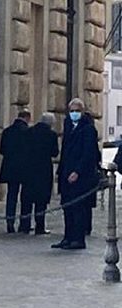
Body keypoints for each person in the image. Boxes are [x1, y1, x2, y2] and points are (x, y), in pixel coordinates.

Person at [53, 98, 99, 251]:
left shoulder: (88, 129)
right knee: (67, 207)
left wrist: (77, 171)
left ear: (82, 111)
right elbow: (65, 151)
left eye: (77, 111)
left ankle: (78, 239)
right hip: (66, 172)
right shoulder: (68, 126)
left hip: (80, 175)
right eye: (72, 111)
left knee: (78, 207)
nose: (74, 114)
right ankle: (68, 237)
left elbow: (88, 153)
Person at [21, 113, 59, 236]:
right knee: (41, 201)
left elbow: (24, 149)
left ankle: (24, 225)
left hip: (29, 169)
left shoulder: (29, 132)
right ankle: (40, 226)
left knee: (27, 199)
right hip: (44, 170)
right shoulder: (52, 135)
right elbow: (54, 153)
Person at [0, 110, 31, 234]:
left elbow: (2, 150)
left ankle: (10, 221)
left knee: (11, 195)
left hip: (10, 167)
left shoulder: (7, 131)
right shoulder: (27, 132)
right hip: (24, 168)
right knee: (25, 196)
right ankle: (24, 223)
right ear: (27, 118)